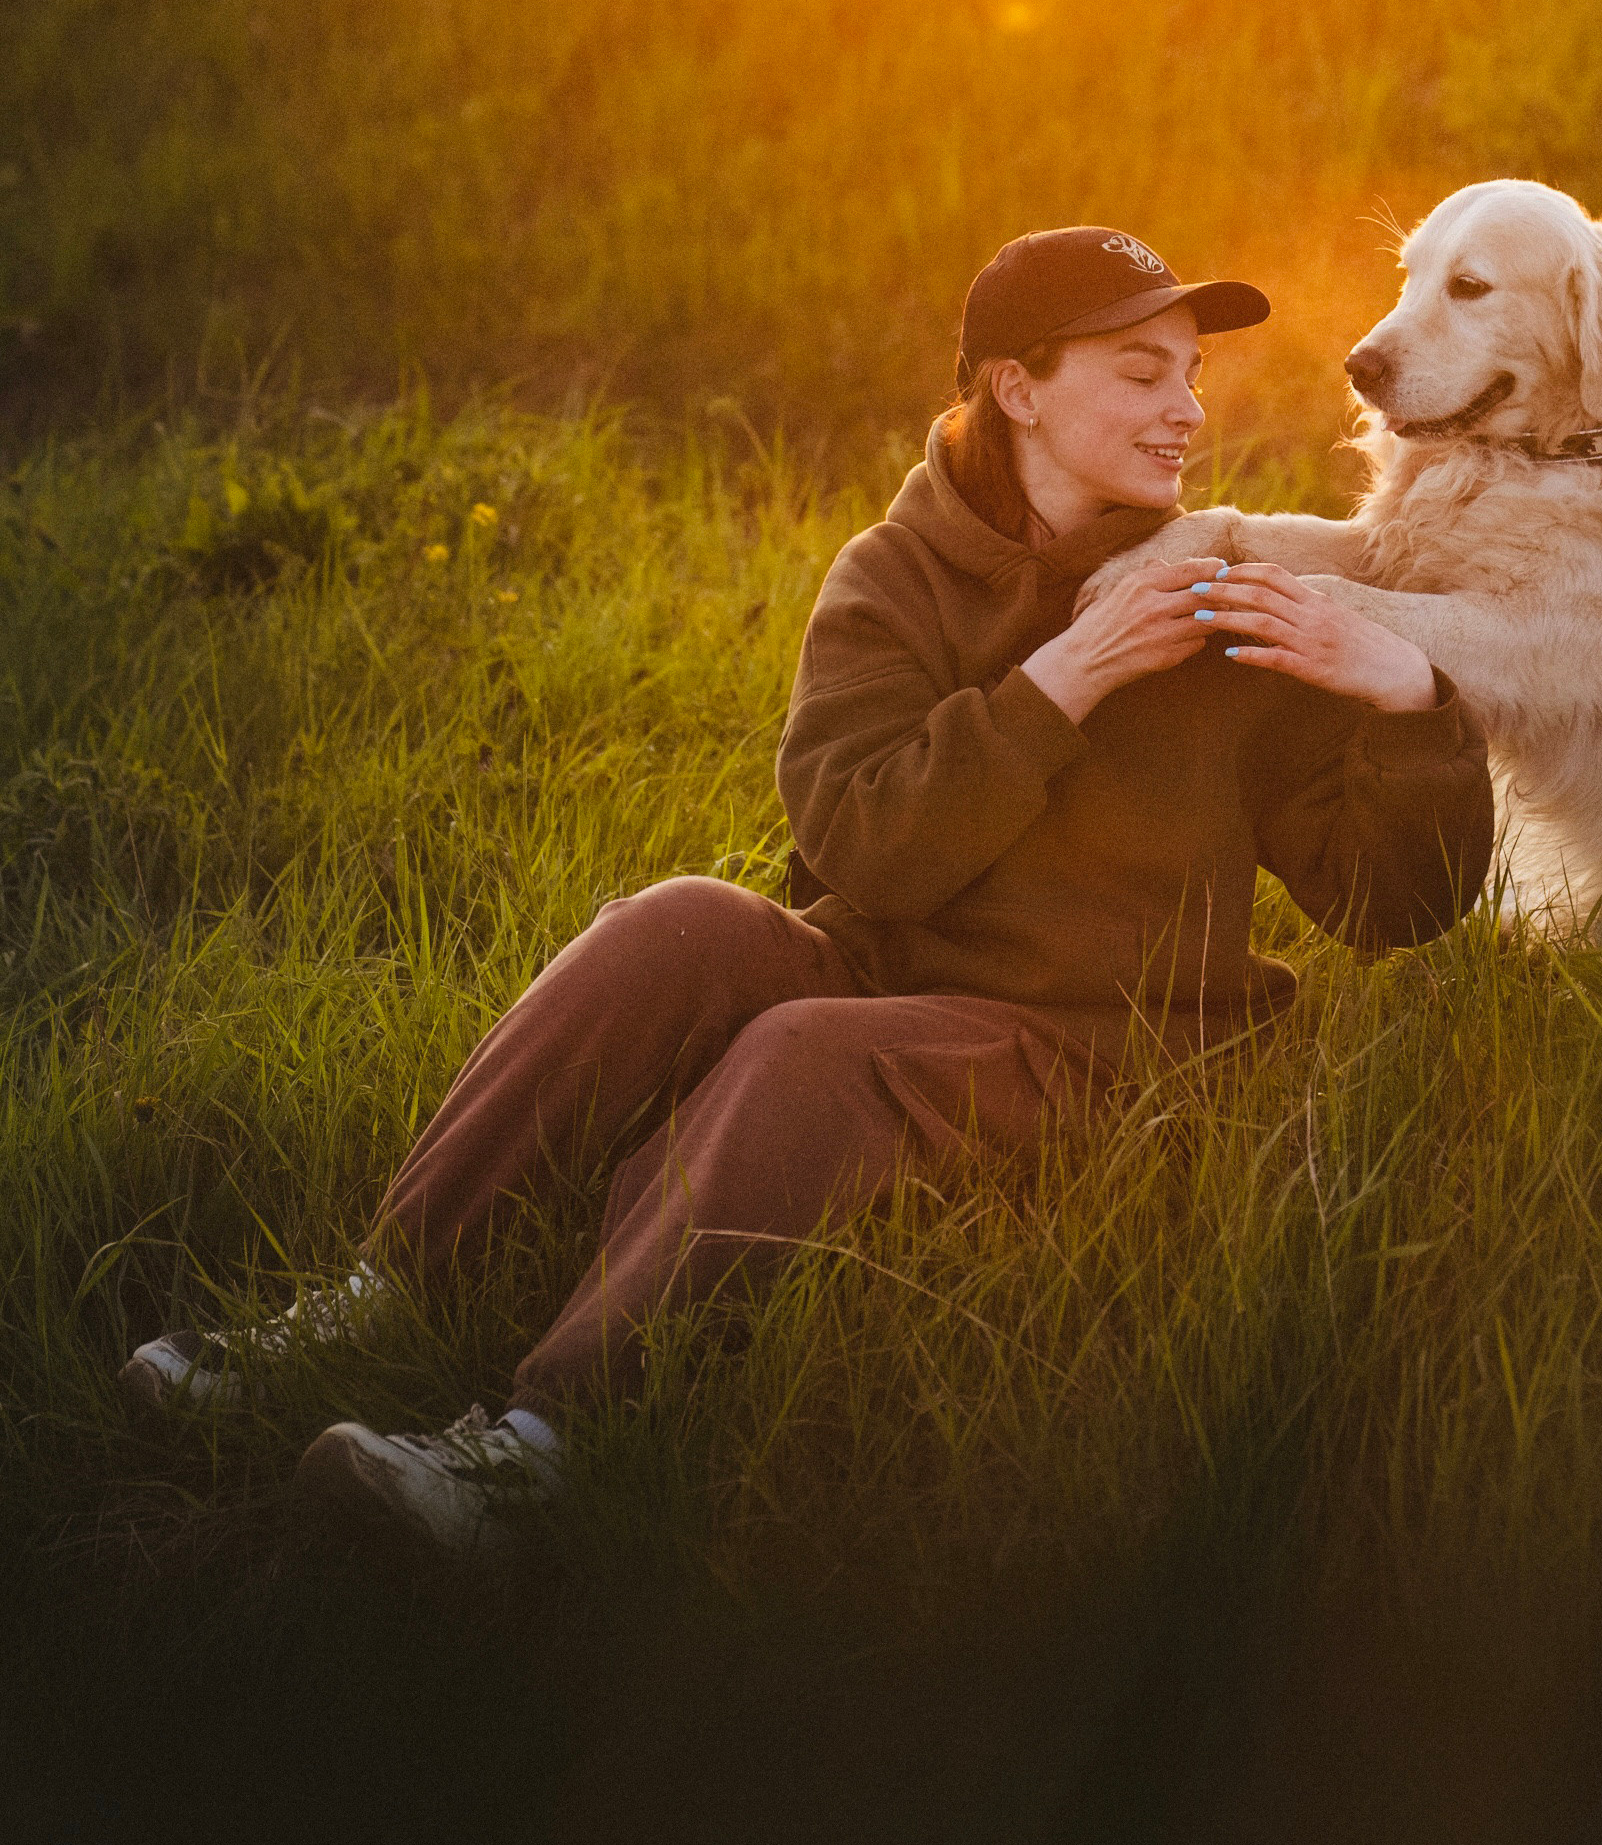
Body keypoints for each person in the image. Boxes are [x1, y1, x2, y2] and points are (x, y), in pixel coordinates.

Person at [122, 227, 1494, 1551]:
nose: (1185, 410)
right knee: (679, 922)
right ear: (1016, 389)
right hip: (900, 970)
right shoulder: (893, 580)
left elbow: (1397, 907)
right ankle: (383, 1296)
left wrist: (1412, 700)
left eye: (1192, 375)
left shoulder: (1222, 597)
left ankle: (538, 1454)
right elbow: (862, 848)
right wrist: (1063, 684)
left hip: (1116, 1040)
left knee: (800, 1053)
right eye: (1142, 374)